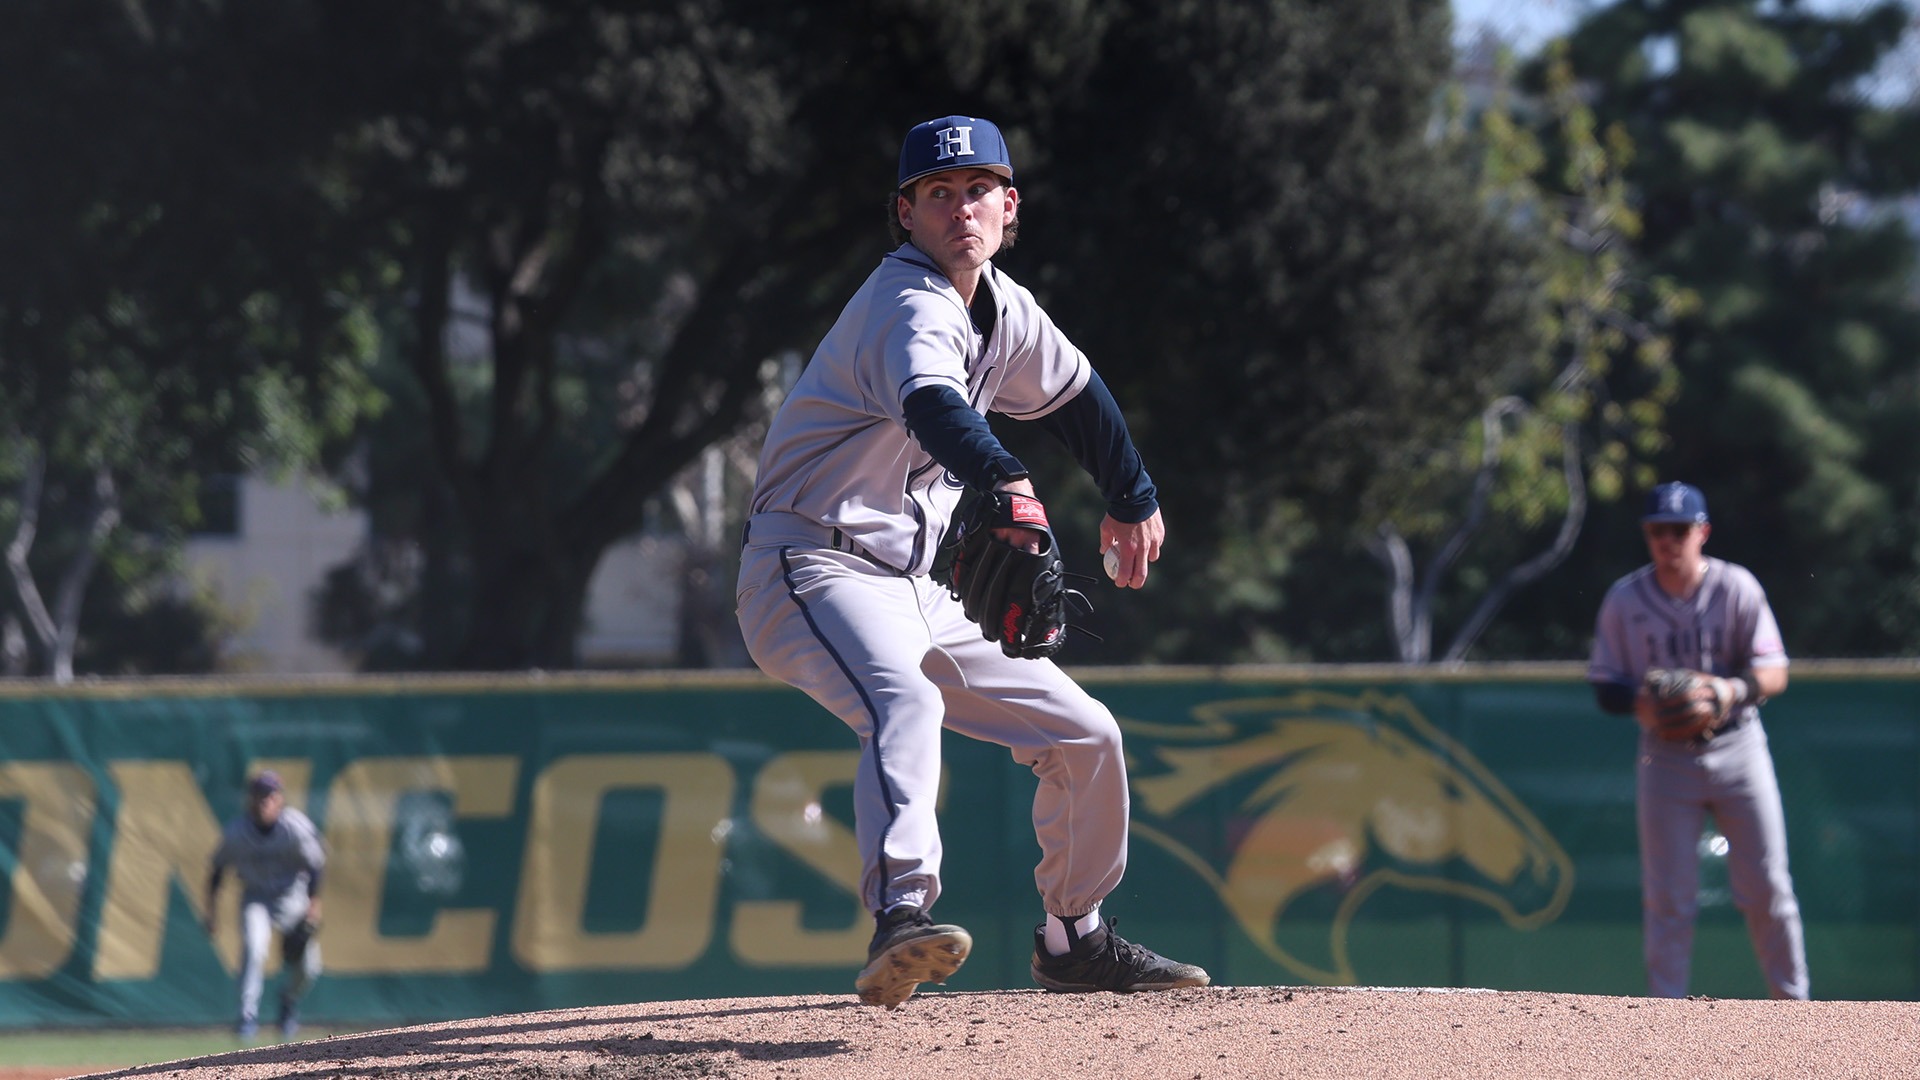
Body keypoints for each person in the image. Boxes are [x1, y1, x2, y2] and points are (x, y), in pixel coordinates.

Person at [735, 114, 1209, 1008]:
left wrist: (1133, 494)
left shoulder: (1004, 306)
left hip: (910, 586)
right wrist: (1007, 480)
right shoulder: (904, 303)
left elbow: (1077, 397)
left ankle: (1076, 939)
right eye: (938, 194)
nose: (961, 208)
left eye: (978, 190)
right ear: (905, 215)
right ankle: (901, 917)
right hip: (808, 566)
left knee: (1086, 736)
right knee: (903, 698)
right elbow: (935, 408)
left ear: (1009, 207)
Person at [1587, 482, 1809, 1000]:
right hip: (1664, 754)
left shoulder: (1736, 588)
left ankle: (1796, 1012)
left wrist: (1727, 690)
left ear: (1702, 532)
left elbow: (1774, 671)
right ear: (1647, 535)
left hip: (1738, 747)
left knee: (1768, 890)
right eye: (1658, 530)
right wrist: (1646, 704)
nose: (1669, 540)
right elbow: (1604, 685)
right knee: (1669, 898)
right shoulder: (1625, 598)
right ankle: (1667, 1021)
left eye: (1680, 530)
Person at [205, 770, 327, 1037]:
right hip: (257, 897)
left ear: (279, 799)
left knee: (310, 967)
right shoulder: (237, 832)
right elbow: (216, 871)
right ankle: (247, 1015)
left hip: (293, 897)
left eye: (270, 795)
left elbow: (316, 865)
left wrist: (313, 905)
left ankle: (288, 999)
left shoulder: (294, 826)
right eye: (259, 795)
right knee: (254, 947)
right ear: (250, 799)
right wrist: (211, 912)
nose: (264, 801)